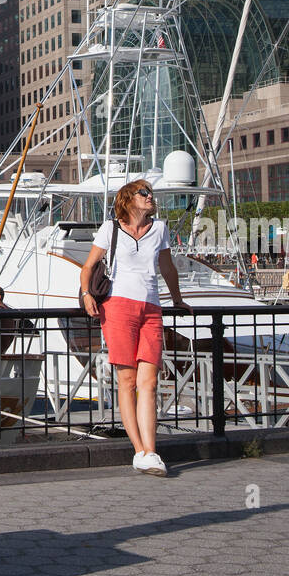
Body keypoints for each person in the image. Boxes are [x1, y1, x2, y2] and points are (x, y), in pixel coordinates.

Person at [80, 179, 189, 477]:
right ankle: (140, 450)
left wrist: (178, 300)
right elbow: (88, 266)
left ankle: (151, 452)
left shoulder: (160, 229)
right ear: (129, 199)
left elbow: (167, 268)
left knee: (149, 382)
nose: (150, 197)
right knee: (127, 381)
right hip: (117, 306)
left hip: (151, 308)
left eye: (150, 193)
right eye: (144, 193)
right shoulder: (110, 228)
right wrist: (87, 294)